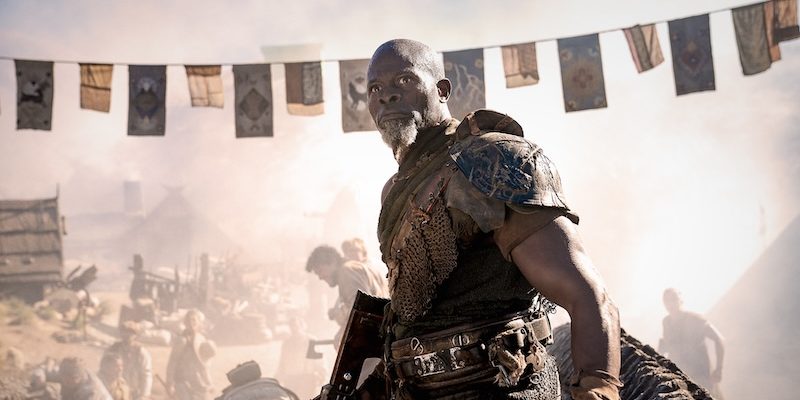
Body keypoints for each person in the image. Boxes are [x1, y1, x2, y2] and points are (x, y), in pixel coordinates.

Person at [322, 39, 621, 399]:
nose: (386, 95)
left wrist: (597, 387)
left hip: (503, 387)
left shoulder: (492, 159)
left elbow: (587, 295)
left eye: (404, 80)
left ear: (442, 90)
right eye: (375, 88)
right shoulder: (394, 189)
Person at [305, 245, 389, 346]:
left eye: (320, 271)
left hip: (376, 335)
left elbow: (360, 307)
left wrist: (343, 334)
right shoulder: (355, 267)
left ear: (332, 262)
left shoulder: (347, 271)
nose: (320, 277)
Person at [659, 288, 725, 398]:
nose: (671, 303)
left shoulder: (695, 319)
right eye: (667, 300)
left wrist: (719, 369)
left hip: (702, 377)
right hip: (680, 377)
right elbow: (667, 345)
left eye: (673, 299)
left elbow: (719, 339)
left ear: (680, 300)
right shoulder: (666, 322)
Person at [165, 309, 216, 400]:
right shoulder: (182, 341)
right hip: (181, 381)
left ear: (199, 322)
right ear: (185, 323)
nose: (191, 323)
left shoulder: (202, 340)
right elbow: (172, 362)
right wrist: (170, 383)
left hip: (197, 381)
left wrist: (209, 383)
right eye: (188, 320)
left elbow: (204, 367)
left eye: (194, 320)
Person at [103, 321, 153, 400]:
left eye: (130, 333)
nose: (127, 335)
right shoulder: (113, 349)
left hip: (135, 392)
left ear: (136, 335)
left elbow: (146, 375)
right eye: (124, 332)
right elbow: (103, 369)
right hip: (115, 390)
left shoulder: (141, 352)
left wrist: (144, 395)